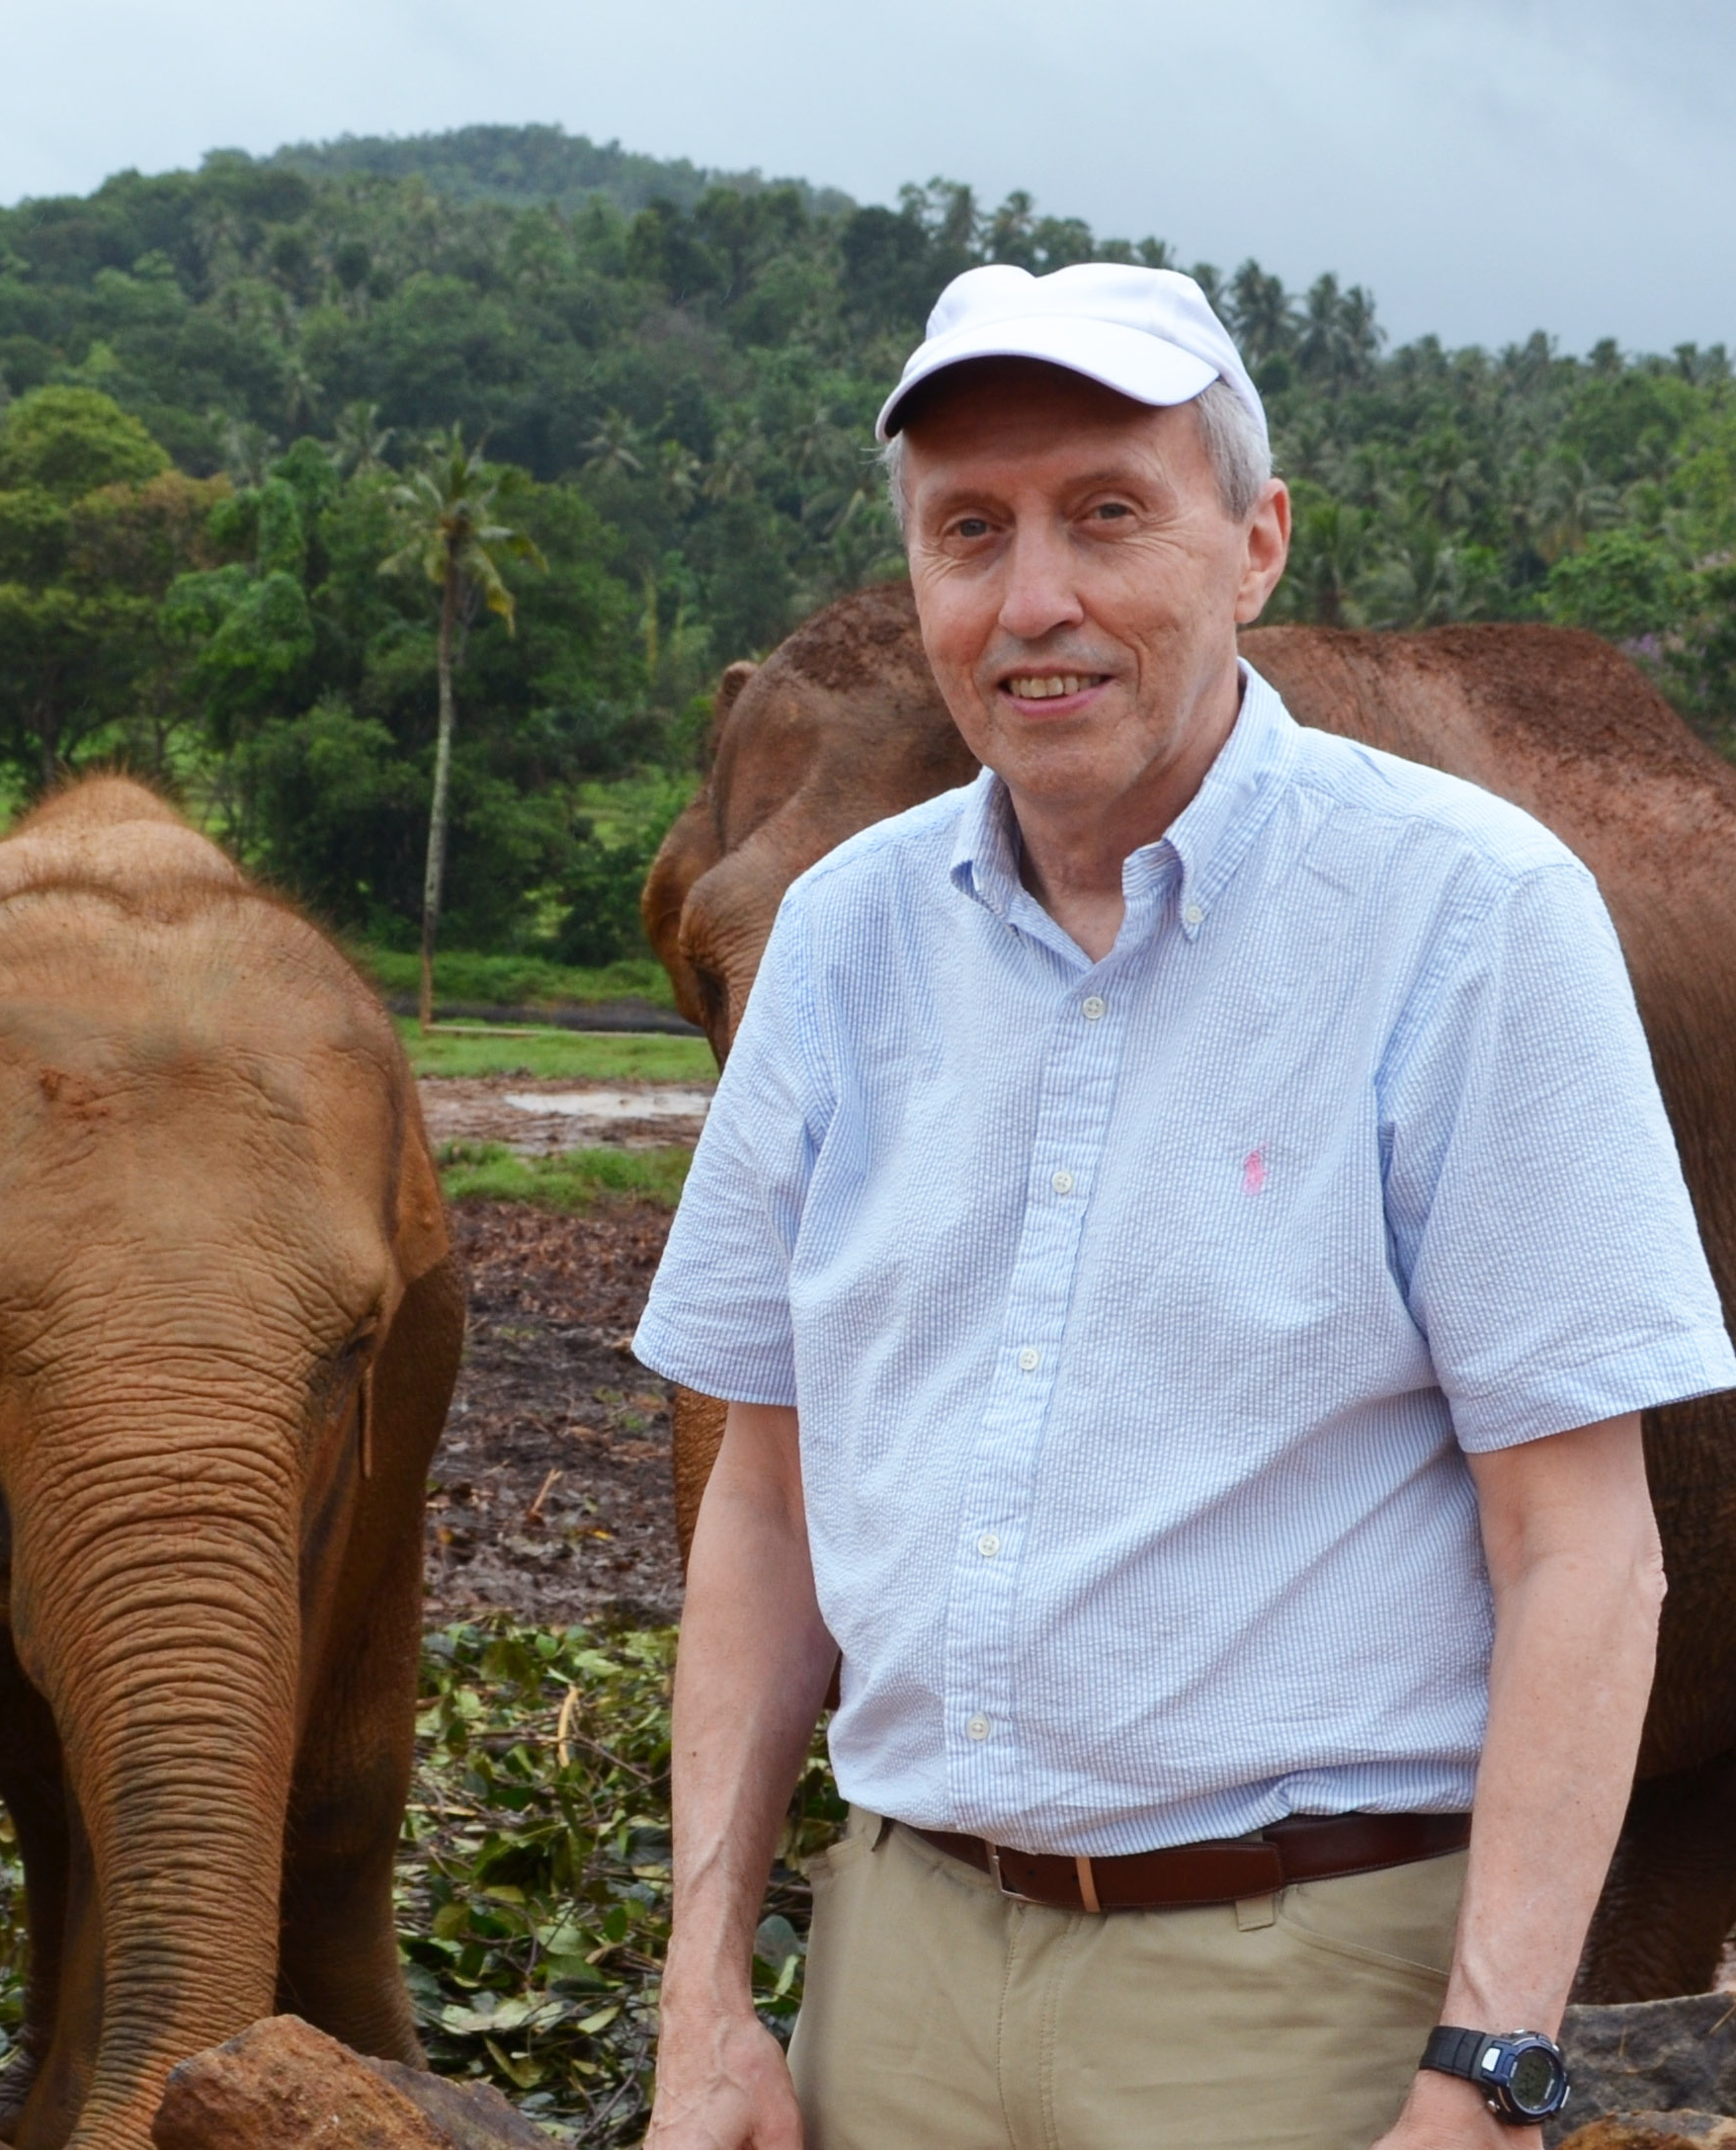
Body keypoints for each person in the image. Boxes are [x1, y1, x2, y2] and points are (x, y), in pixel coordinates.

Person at [631, 261, 1736, 2150]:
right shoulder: (839, 940)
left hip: (1293, 1987)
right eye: (969, 531)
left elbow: (1585, 1550)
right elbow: (764, 1492)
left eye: (1108, 515)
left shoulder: (1470, 917)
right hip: (892, 1964)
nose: (1032, 599)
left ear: (1257, 547)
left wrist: (1487, 2069)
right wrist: (705, 1989)